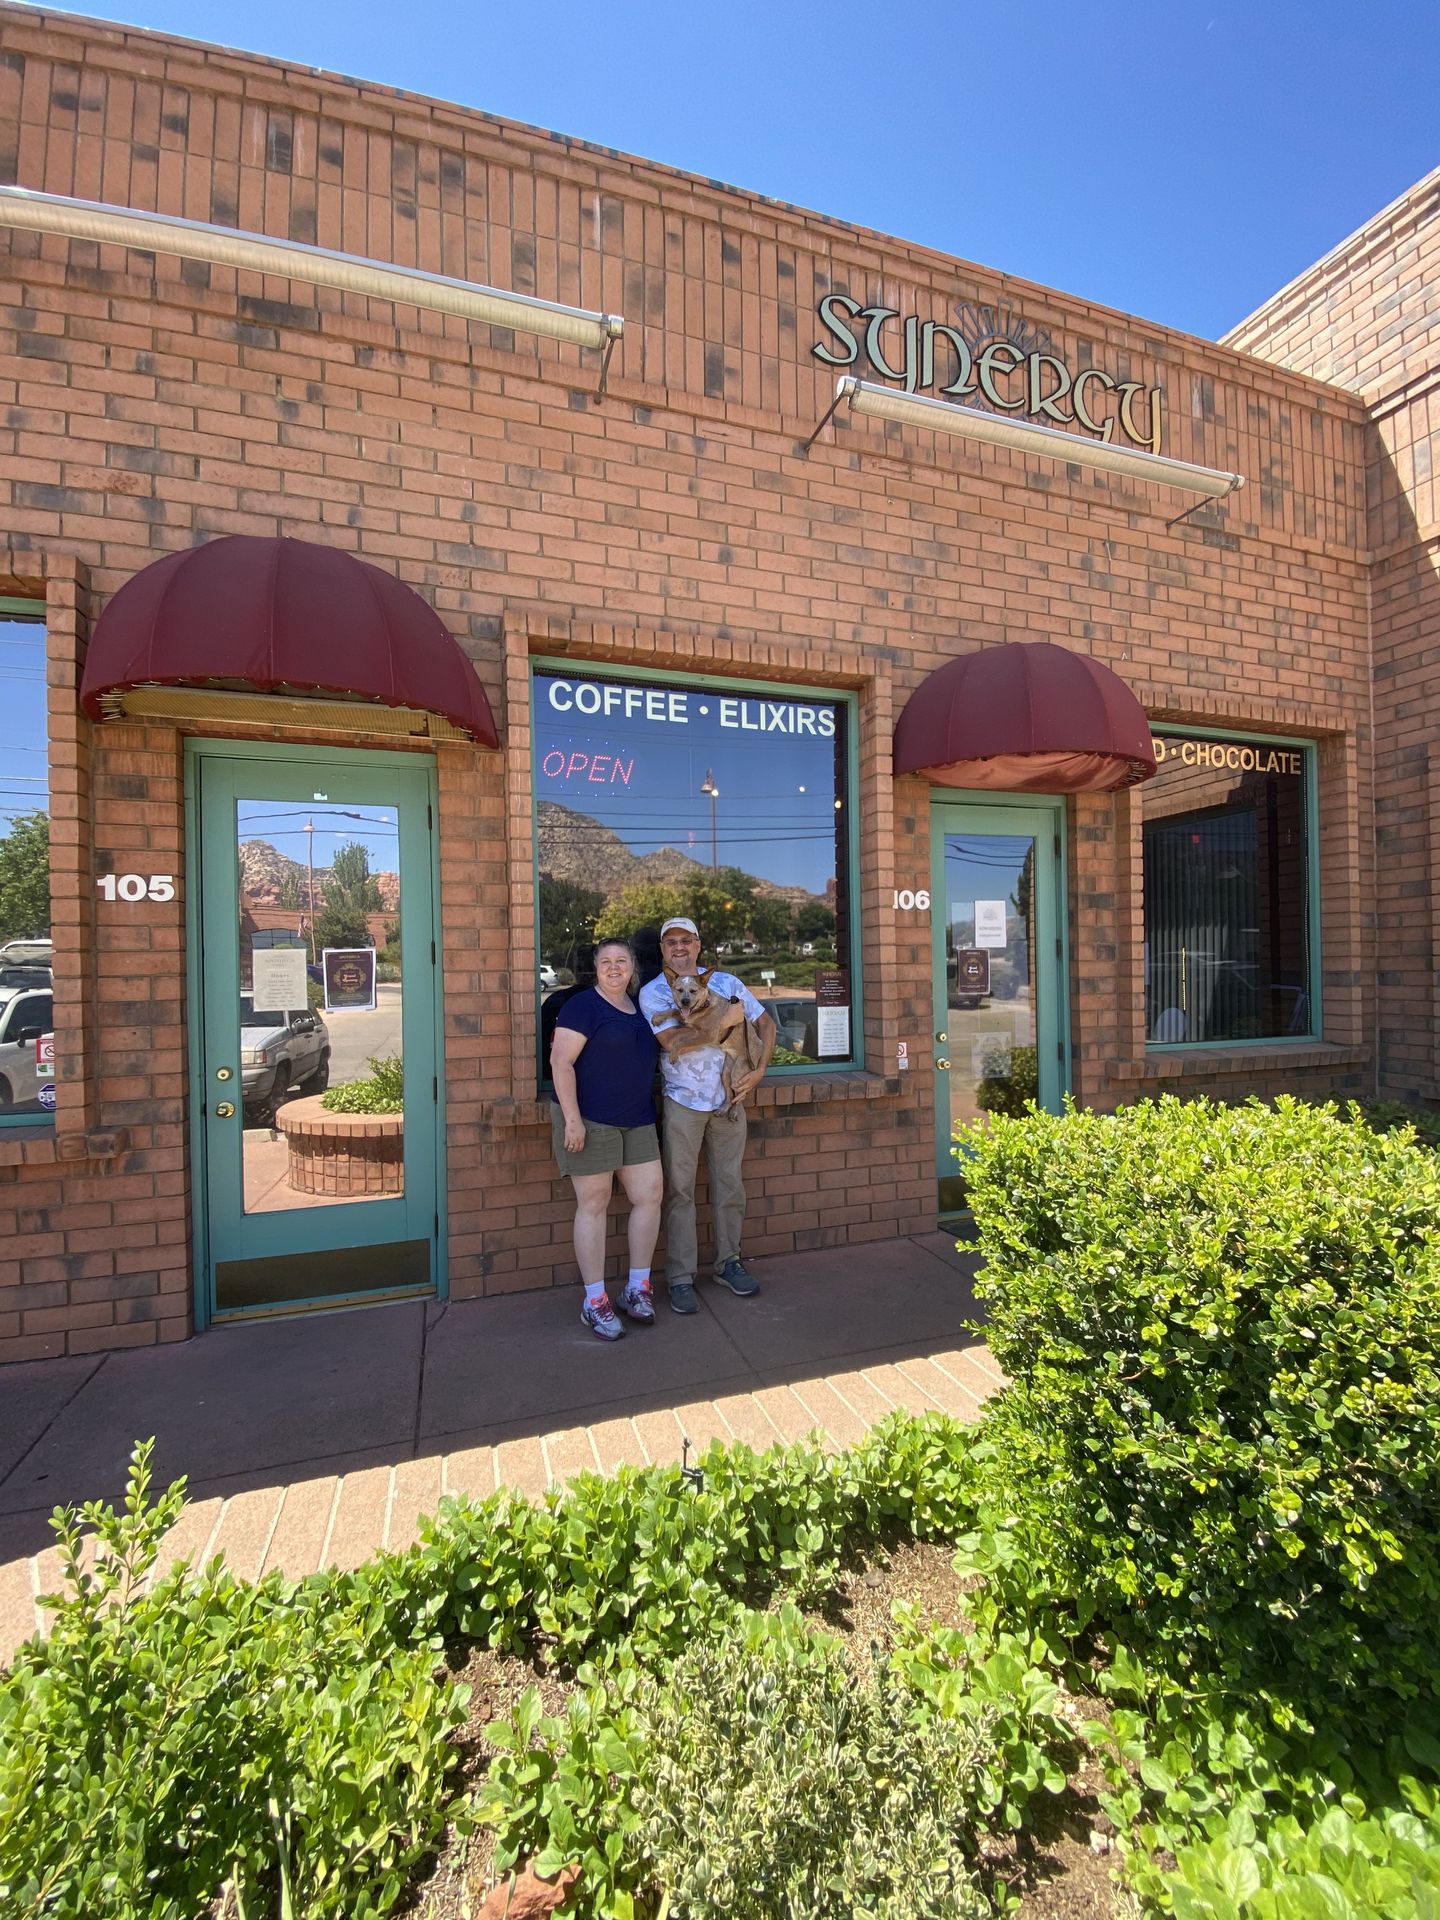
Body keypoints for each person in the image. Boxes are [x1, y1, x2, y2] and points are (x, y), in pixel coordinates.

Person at [639, 916, 777, 1313]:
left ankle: (729, 1263)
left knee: (730, 1185)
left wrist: (760, 1070)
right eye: (670, 942)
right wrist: (729, 1020)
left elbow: (765, 1024)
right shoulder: (654, 992)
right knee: (679, 1191)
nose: (679, 947)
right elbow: (673, 1041)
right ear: (663, 950)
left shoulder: (727, 983)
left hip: (730, 1100)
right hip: (683, 1101)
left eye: (686, 940)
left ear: (698, 945)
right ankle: (681, 1278)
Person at [549, 936, 662, 1341]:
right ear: (595, 968)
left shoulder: (640, 1009)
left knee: (649, 1197)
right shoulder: (583, 1006)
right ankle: (594, 1301)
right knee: (593, 1204)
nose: (614, 967)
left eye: (621, 961)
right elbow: (560, 1063)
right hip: (591, 1120)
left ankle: (638, 1288)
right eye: (605, 962)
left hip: (638, 1119)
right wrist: (573, 1120)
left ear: (633, 966)